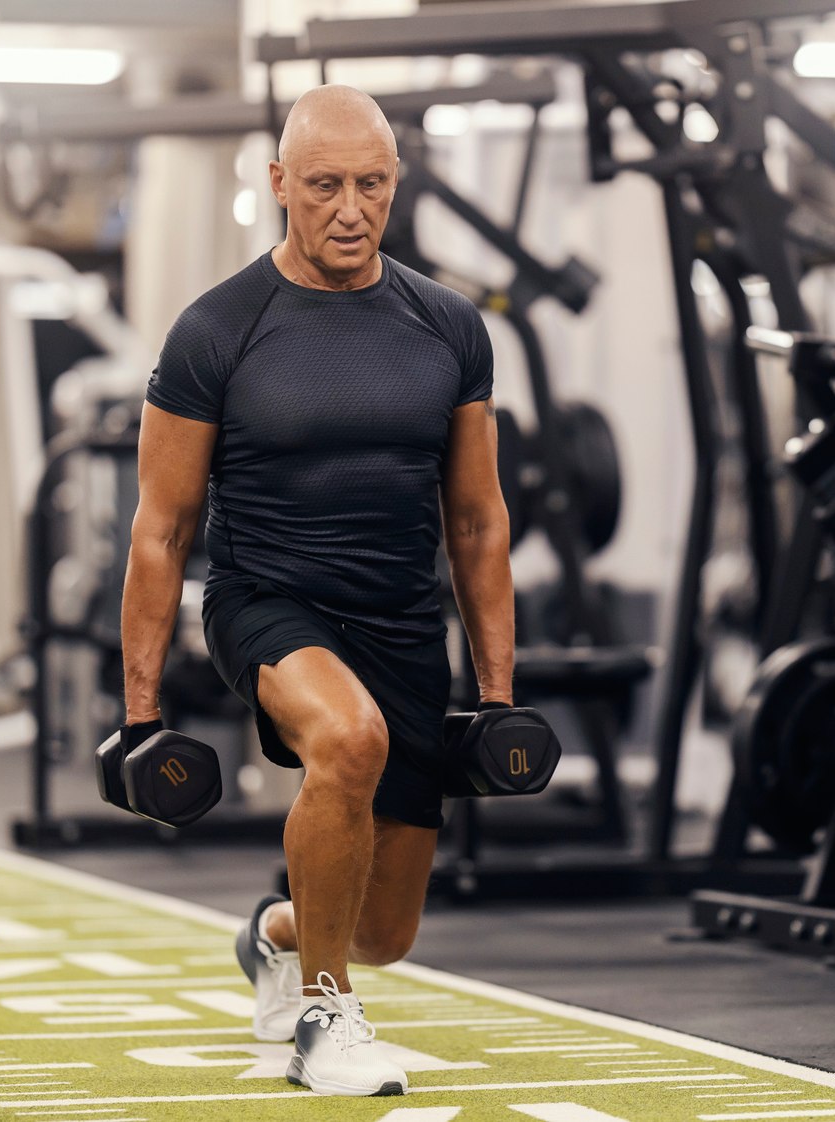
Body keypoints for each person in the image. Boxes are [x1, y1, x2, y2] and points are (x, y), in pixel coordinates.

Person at [118, 84, 514, 1098]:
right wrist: (139, 713)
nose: (349, 208)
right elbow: (161, 530)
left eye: (372, 185)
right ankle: (324, 1020)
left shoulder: (448, 328)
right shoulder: (217, 330)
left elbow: (474, 522)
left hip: (397, 619)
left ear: (396, 185)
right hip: (266, 603)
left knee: (387, 929)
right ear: (279, 184)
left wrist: (499, 696)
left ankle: (283, 936)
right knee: (347, 740)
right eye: (326, 186)